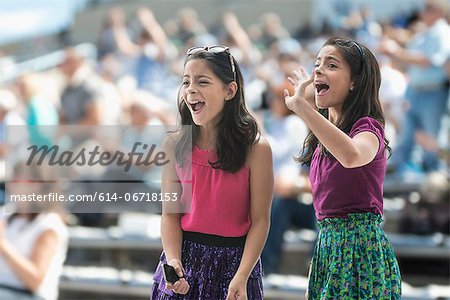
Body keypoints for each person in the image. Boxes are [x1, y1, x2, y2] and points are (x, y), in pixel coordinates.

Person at [150, 45, 273, 299]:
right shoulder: (174, 145)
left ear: (230, 91)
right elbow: (170, 216)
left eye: (202, 81)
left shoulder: (257, 148)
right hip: (184, 260)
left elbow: (260, 220)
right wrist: (173, 260)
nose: (191, 89)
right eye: (186, 82)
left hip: (235, 267)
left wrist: (242, 275)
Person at [284, 37, 401, 299]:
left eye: (332, 65)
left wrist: (303, 107)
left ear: (354, 82)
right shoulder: (321, 137)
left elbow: (351, 155)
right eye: (317, 63)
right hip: (327, 246)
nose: (318, 70)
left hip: (360, 251)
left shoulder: (369, 128)